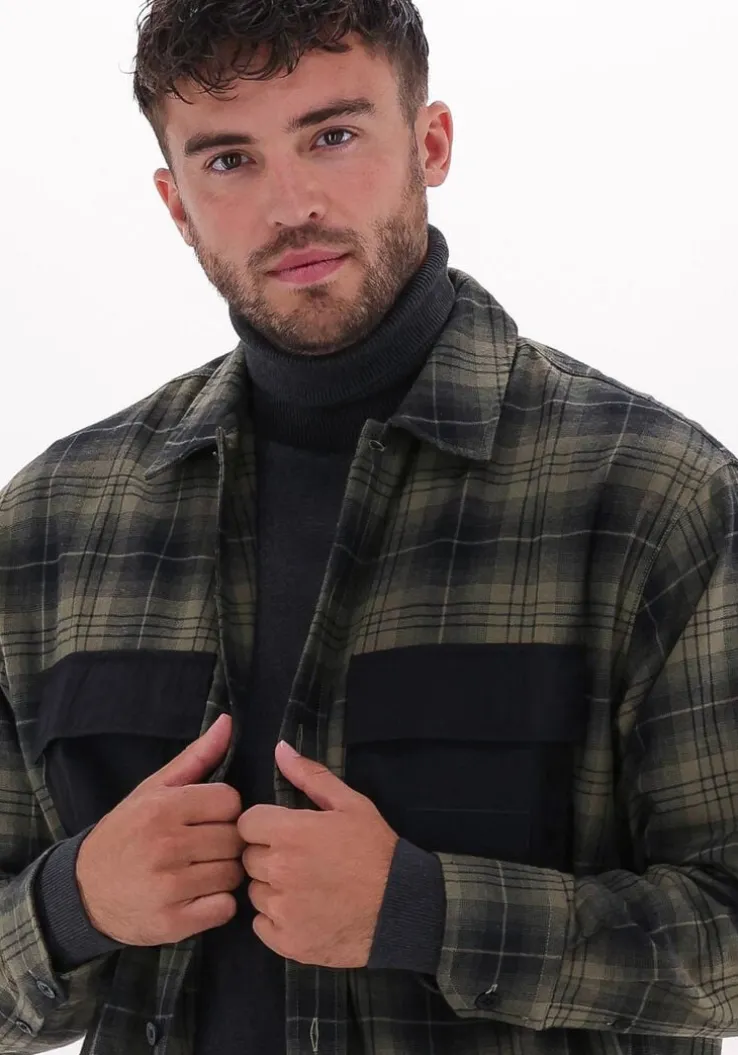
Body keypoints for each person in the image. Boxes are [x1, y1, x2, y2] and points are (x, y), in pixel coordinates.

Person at [1, 0, 737, 1052]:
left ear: (430, 144)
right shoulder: (53, 520)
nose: (290, 204)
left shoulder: (653, 496)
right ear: (175, 204)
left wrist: (428, 914)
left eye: (333, 136)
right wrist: (73, 904)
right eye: (229, 160)